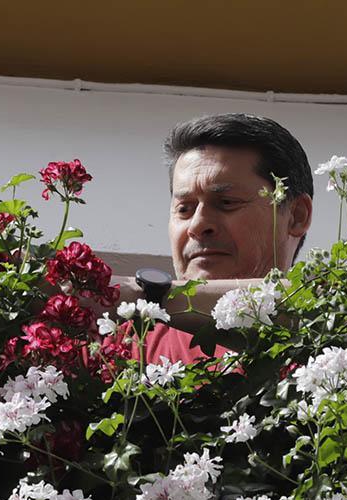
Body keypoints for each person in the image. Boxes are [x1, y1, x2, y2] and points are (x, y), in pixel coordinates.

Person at [115, 113, 314, 363]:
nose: (197, 225)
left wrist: (145, 297)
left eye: (227, 202)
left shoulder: (339, 328)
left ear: (296, 216)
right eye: (184, 209)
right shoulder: (119, 348)